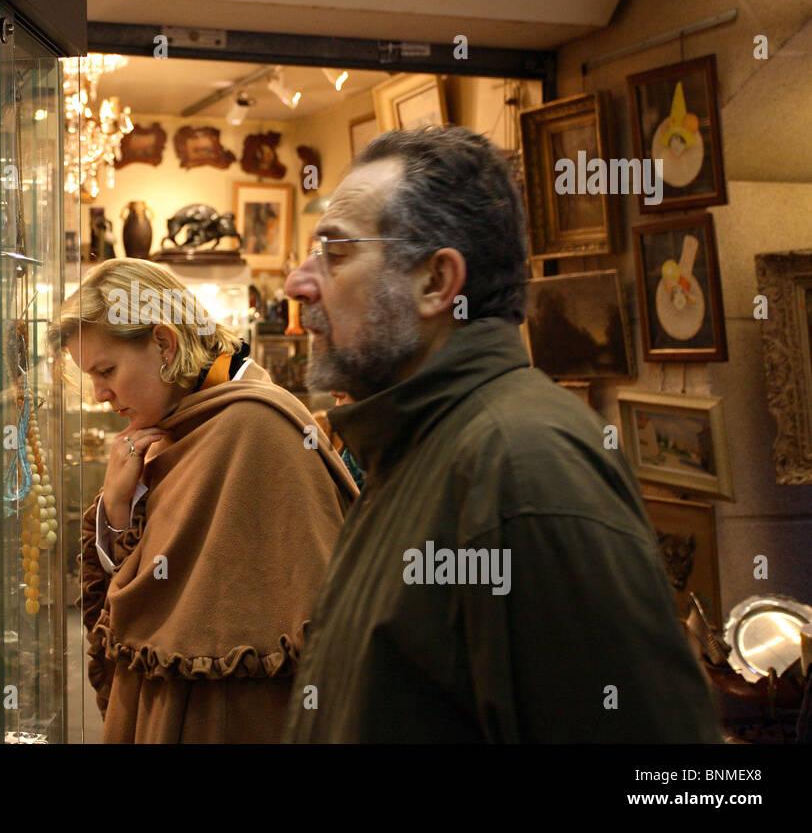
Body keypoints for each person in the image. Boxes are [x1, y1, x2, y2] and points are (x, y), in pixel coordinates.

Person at [281, 126, 721, 743]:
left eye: (335, 252)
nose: (297, 285)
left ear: (436, 284)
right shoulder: (414, 446)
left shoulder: (522, 463)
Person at [56, 258, 356, 742]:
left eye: (106, 370)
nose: (100, 395)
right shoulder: (182, 424)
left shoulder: (256, 427)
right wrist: (115, 508)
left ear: (164, 342)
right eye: (90, 376)